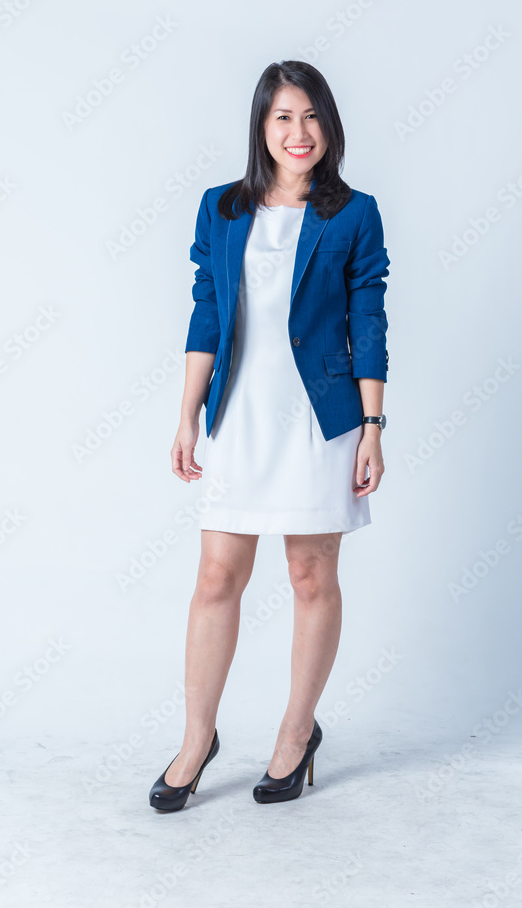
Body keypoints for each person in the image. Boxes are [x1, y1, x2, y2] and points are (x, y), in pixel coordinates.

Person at [149, 59, 390, 810]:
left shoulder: (352, 212)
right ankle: (196, 739)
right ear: (261, 125)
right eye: (284, 117)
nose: (299, 132)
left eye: (312, 116)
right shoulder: (220, 208)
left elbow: (367, 319)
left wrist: (373, 425)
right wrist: (187, 413)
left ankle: (294, 734)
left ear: (330, 125)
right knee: (217, 577)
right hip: (239, 418)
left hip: (320, 424)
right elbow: (206, 312)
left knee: (310, 578)